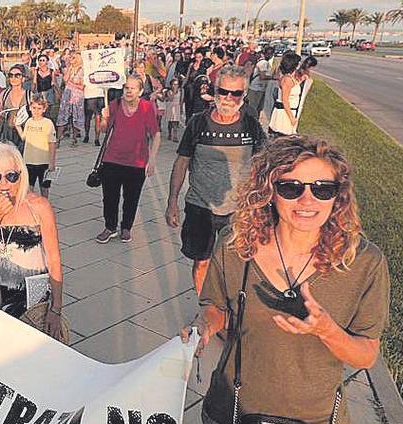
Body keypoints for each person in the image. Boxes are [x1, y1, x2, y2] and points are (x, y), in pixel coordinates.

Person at [180, 135, 390, 424]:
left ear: (338, 196)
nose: (307, 200)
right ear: (268, 189)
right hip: (234, 414)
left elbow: (365, 355)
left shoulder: (363, 263)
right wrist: (204, 326)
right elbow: (217, 306)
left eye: (322, 189)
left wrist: (326, 330)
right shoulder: (239, 246)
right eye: (291, 187)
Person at [165, 65, 266, 294]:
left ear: (244, 95)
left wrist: (259, 205)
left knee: (235, 266)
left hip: (238, 210)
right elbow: (182, 162)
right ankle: (204, 310)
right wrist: (172, 202)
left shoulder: (251, 126)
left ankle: (228, 311)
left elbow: (263, 165)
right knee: (202, 263)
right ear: (215, 90)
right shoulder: (198, 123)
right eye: (223, 92)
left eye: (236, 93)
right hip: (200, 206)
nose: (228, 98)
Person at [0, 144, 66, 339]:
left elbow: (54, 260)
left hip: (31, 297)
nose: (4, 184)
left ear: (21, 175)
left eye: (11, 176)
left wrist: (56, 308)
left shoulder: (39, 206)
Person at [95, 76, 161, 244]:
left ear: (140, 91)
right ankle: (110, 227)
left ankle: (126, 227)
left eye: (133, 88)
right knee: (110, 197)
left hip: (137, 161)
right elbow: (104, 130)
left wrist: (152, 159)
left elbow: (156, 134)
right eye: (126, 88)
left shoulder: (146, 107)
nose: (129, 91)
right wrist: (103, 118)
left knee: (131, 197)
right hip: (112, 159)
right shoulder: (115, 105)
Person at [16, 95, 58, 198]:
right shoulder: (29, 122)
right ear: (30, 108)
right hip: (29, 160)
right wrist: (17, 126)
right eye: (34, 108)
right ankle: (31, 207)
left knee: (44, 187)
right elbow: (24, 137)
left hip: (43, 161)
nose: (36, 111)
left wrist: (51, 163)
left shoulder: (48, 123)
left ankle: (45, 205)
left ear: (44, 109)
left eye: (39, 108)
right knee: (29, 187)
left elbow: (52, 143)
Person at [269, 55, 316, 137]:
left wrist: (301, 81)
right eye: (298, 63)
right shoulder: (287, 79)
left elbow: (293, 90)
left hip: (289, 112)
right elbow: (285, 100)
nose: (299, 64)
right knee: (283, 139)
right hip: (284, 115)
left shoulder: (290, 78)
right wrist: (291, 118)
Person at [0, 64, 31, 151]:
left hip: (24, 132)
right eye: (11, 75)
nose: (13, 78)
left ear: (23, 78)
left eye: (17, 75)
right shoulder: (3, 94)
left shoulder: (29, 96)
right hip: (7, 132)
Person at [57, 52, 86, 146]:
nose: (70, 59)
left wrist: (71, 84)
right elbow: (65, 79)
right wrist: (69, 69)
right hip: (68, 94)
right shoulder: (69, 68)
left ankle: (75, 139)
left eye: (73, 58)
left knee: (76, 116)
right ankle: (58, 139)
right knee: (63, 114)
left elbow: (82, 86)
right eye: (70, 58)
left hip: (77, 95)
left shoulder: (82, 70)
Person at [246, 48, 276, 124]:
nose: (270, 55)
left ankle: (255, 124)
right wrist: (273, 78)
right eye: (269, 53)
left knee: (258, 109)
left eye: (271, 54)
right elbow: (262, 76)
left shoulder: (266, 63)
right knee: (253, 109)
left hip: (261, 89)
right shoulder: (263, 63)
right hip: (255, 89)